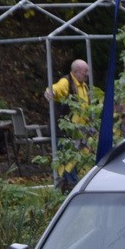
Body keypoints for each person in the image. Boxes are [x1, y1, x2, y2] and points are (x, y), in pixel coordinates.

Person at [43, 59, 90, 192]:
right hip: (64, 132)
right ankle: (71, 187)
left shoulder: (84, 86)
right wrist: (49, 91)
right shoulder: (66, 82)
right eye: (85, 71)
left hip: (79, 132)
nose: (87, 74)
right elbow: (55, 89)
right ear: (75, 71)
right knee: (67, 162)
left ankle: (71, 187)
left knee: (75, 161)